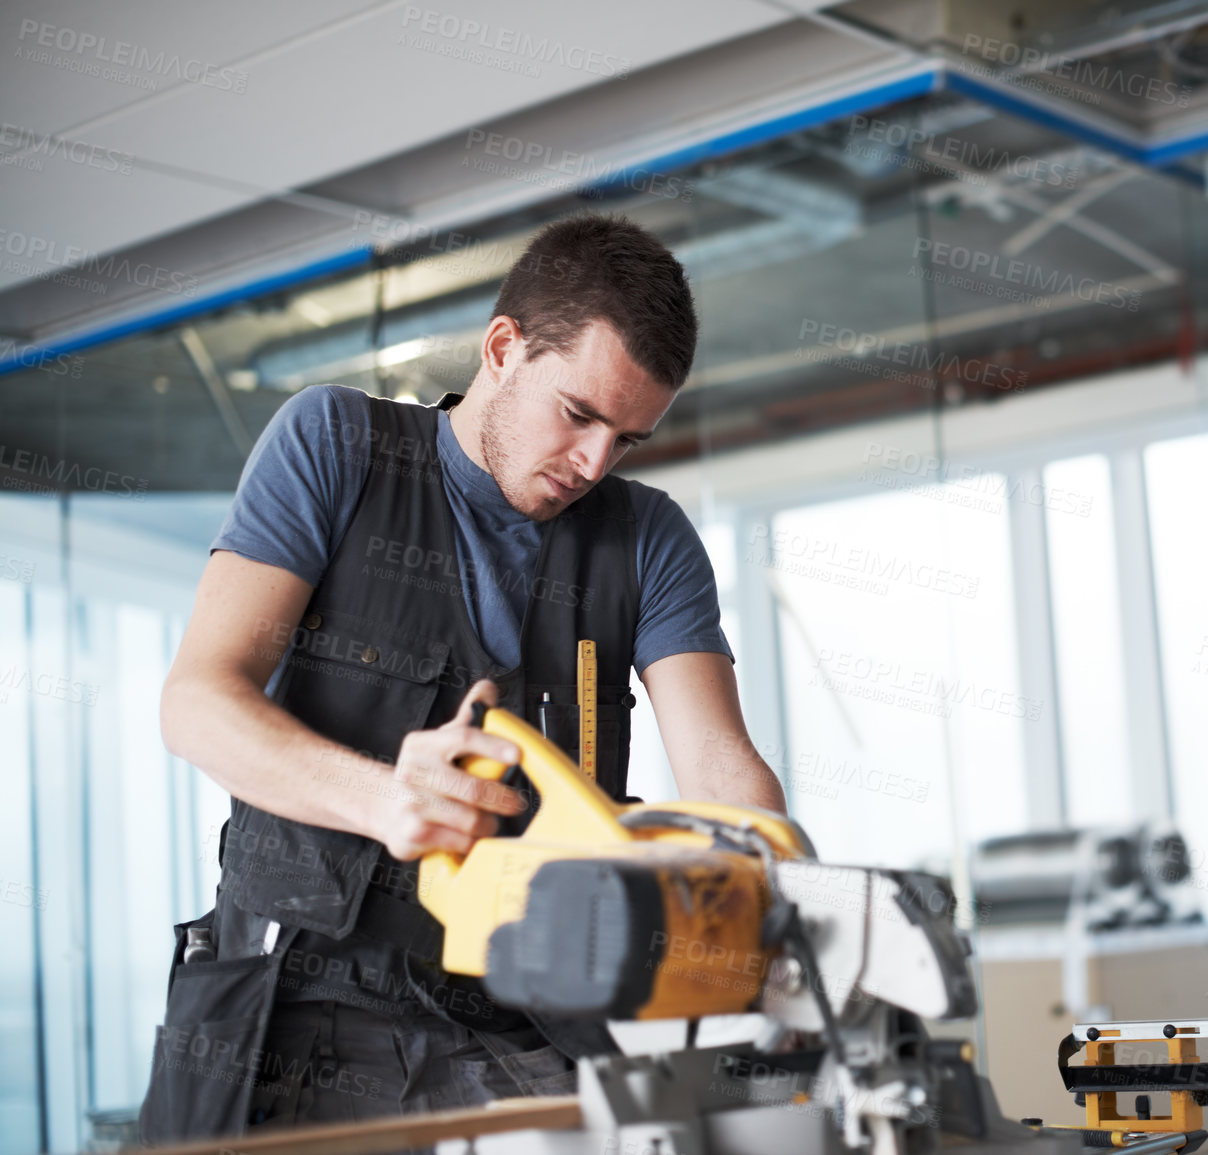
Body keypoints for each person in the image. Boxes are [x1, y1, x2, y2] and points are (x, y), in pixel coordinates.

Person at [137, 215, 785, 1142]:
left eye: (628, 439)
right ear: (502, 347)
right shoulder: (336, 446)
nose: (594, 464)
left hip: (530, 1012)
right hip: (304, 1000)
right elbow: (197, 703)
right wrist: (381, 796)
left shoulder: (648, 539)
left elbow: (724, 773)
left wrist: (774, 888)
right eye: (579, 414)